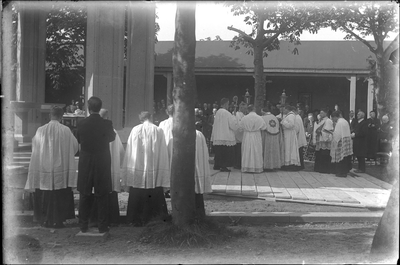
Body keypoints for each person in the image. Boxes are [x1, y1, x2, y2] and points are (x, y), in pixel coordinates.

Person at [25, 106, 78, 228]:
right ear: (61, 116)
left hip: (44, 167)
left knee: (44, 190)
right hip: (61, 168)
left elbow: (35, 147)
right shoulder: (66, 130)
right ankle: (59, 219)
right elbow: (75, 147)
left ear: (50, 115)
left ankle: (44, 219)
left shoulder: (40, 130)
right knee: (60, 191)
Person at [121, 111, 170, 226]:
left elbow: (130, 149)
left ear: (140, 119)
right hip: (154, 167)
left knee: (137, 191)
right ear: (151, 117)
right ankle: (155, 218)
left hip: (138, 165)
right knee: (154, 191)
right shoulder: (158, 130)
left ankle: (134, 219)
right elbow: (163, 150)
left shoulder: (135, 130)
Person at [77, 96, 116, 233]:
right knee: (102, 194)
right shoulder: (106, 123)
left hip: (86, 159)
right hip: (102, 159)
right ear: (99, 108)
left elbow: (78, 139)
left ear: (88, 108)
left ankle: (83, 225)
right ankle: (102, 226)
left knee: (84, 193)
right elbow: (112, 137)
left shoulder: (81, 123)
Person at [88, 109, 125, 227]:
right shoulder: (112, 131)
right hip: (110, 167)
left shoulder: (93, 130)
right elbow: (120, 150)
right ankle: (112, 219)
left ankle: (94, 219)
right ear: (107, 117)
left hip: (97, 166)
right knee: (110, 191)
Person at [211, 98, 239, 172]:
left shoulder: (218, 112)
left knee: (218, 152)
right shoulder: (227, 113)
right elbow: (232, 125)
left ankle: (217, 165)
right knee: (225, 152)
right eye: (228, 104)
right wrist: (234, 118)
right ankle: (223, 166)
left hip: (218, 135)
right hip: (225, 136)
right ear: (226, 104)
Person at [239, 104, 267, 173]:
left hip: (247, 135)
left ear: (248, 110)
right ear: (254, 109)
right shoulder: (260, 118)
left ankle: (246, 167)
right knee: (256, 150)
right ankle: (256, 167)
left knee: (247, 151)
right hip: (256, 135)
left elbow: (240, 128)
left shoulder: (244, 118)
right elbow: (264, 127)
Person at [330, 111, 353, 177]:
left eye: (332, 118)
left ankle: (341, 172)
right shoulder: (345, 121)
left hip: (340, 142)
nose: (332, 120)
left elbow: (337, 134)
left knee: (341, 158)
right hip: (346, 140)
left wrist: (333, 134)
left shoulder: (339, 123)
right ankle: (345, 171)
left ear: (335, 117)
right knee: (345, 157)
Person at [261, 105, 282, 170]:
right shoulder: (275, 117)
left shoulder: (262, 118)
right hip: (275, 137)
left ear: (263, 111)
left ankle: (266, 165)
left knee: (266, 150)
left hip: (266, 136)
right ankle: (275, 165)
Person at [313, 108, 334, 174]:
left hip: (325, 141)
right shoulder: (320, 120)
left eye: (322, 113)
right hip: (320, 139)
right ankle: (318, 168)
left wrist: (321, 132)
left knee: (325, 154)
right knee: (319, 154)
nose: (320, 114)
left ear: (326, 113)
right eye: (320, 113)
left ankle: (325, 169)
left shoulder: (328, 121)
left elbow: (329, 131)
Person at [280, 105, 301, 171]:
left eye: (284, 109)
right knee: (287, 148)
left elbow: (291, 125)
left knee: (290, 148)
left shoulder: (291, 115)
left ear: (287, 109)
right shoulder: (289, 115)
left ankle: (290, 163)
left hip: (290, 133)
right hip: (287, 133)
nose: (283, 111)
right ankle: (287, 163)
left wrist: (283, 122)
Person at [233, 102, 247, 169]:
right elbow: (237, 124)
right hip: (238, 134)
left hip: (243, 135)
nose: (245, 110)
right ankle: (237, 163)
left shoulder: (244, 115)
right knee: (238, 150)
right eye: (244, 108)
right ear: (241, 108)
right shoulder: (236, 114)